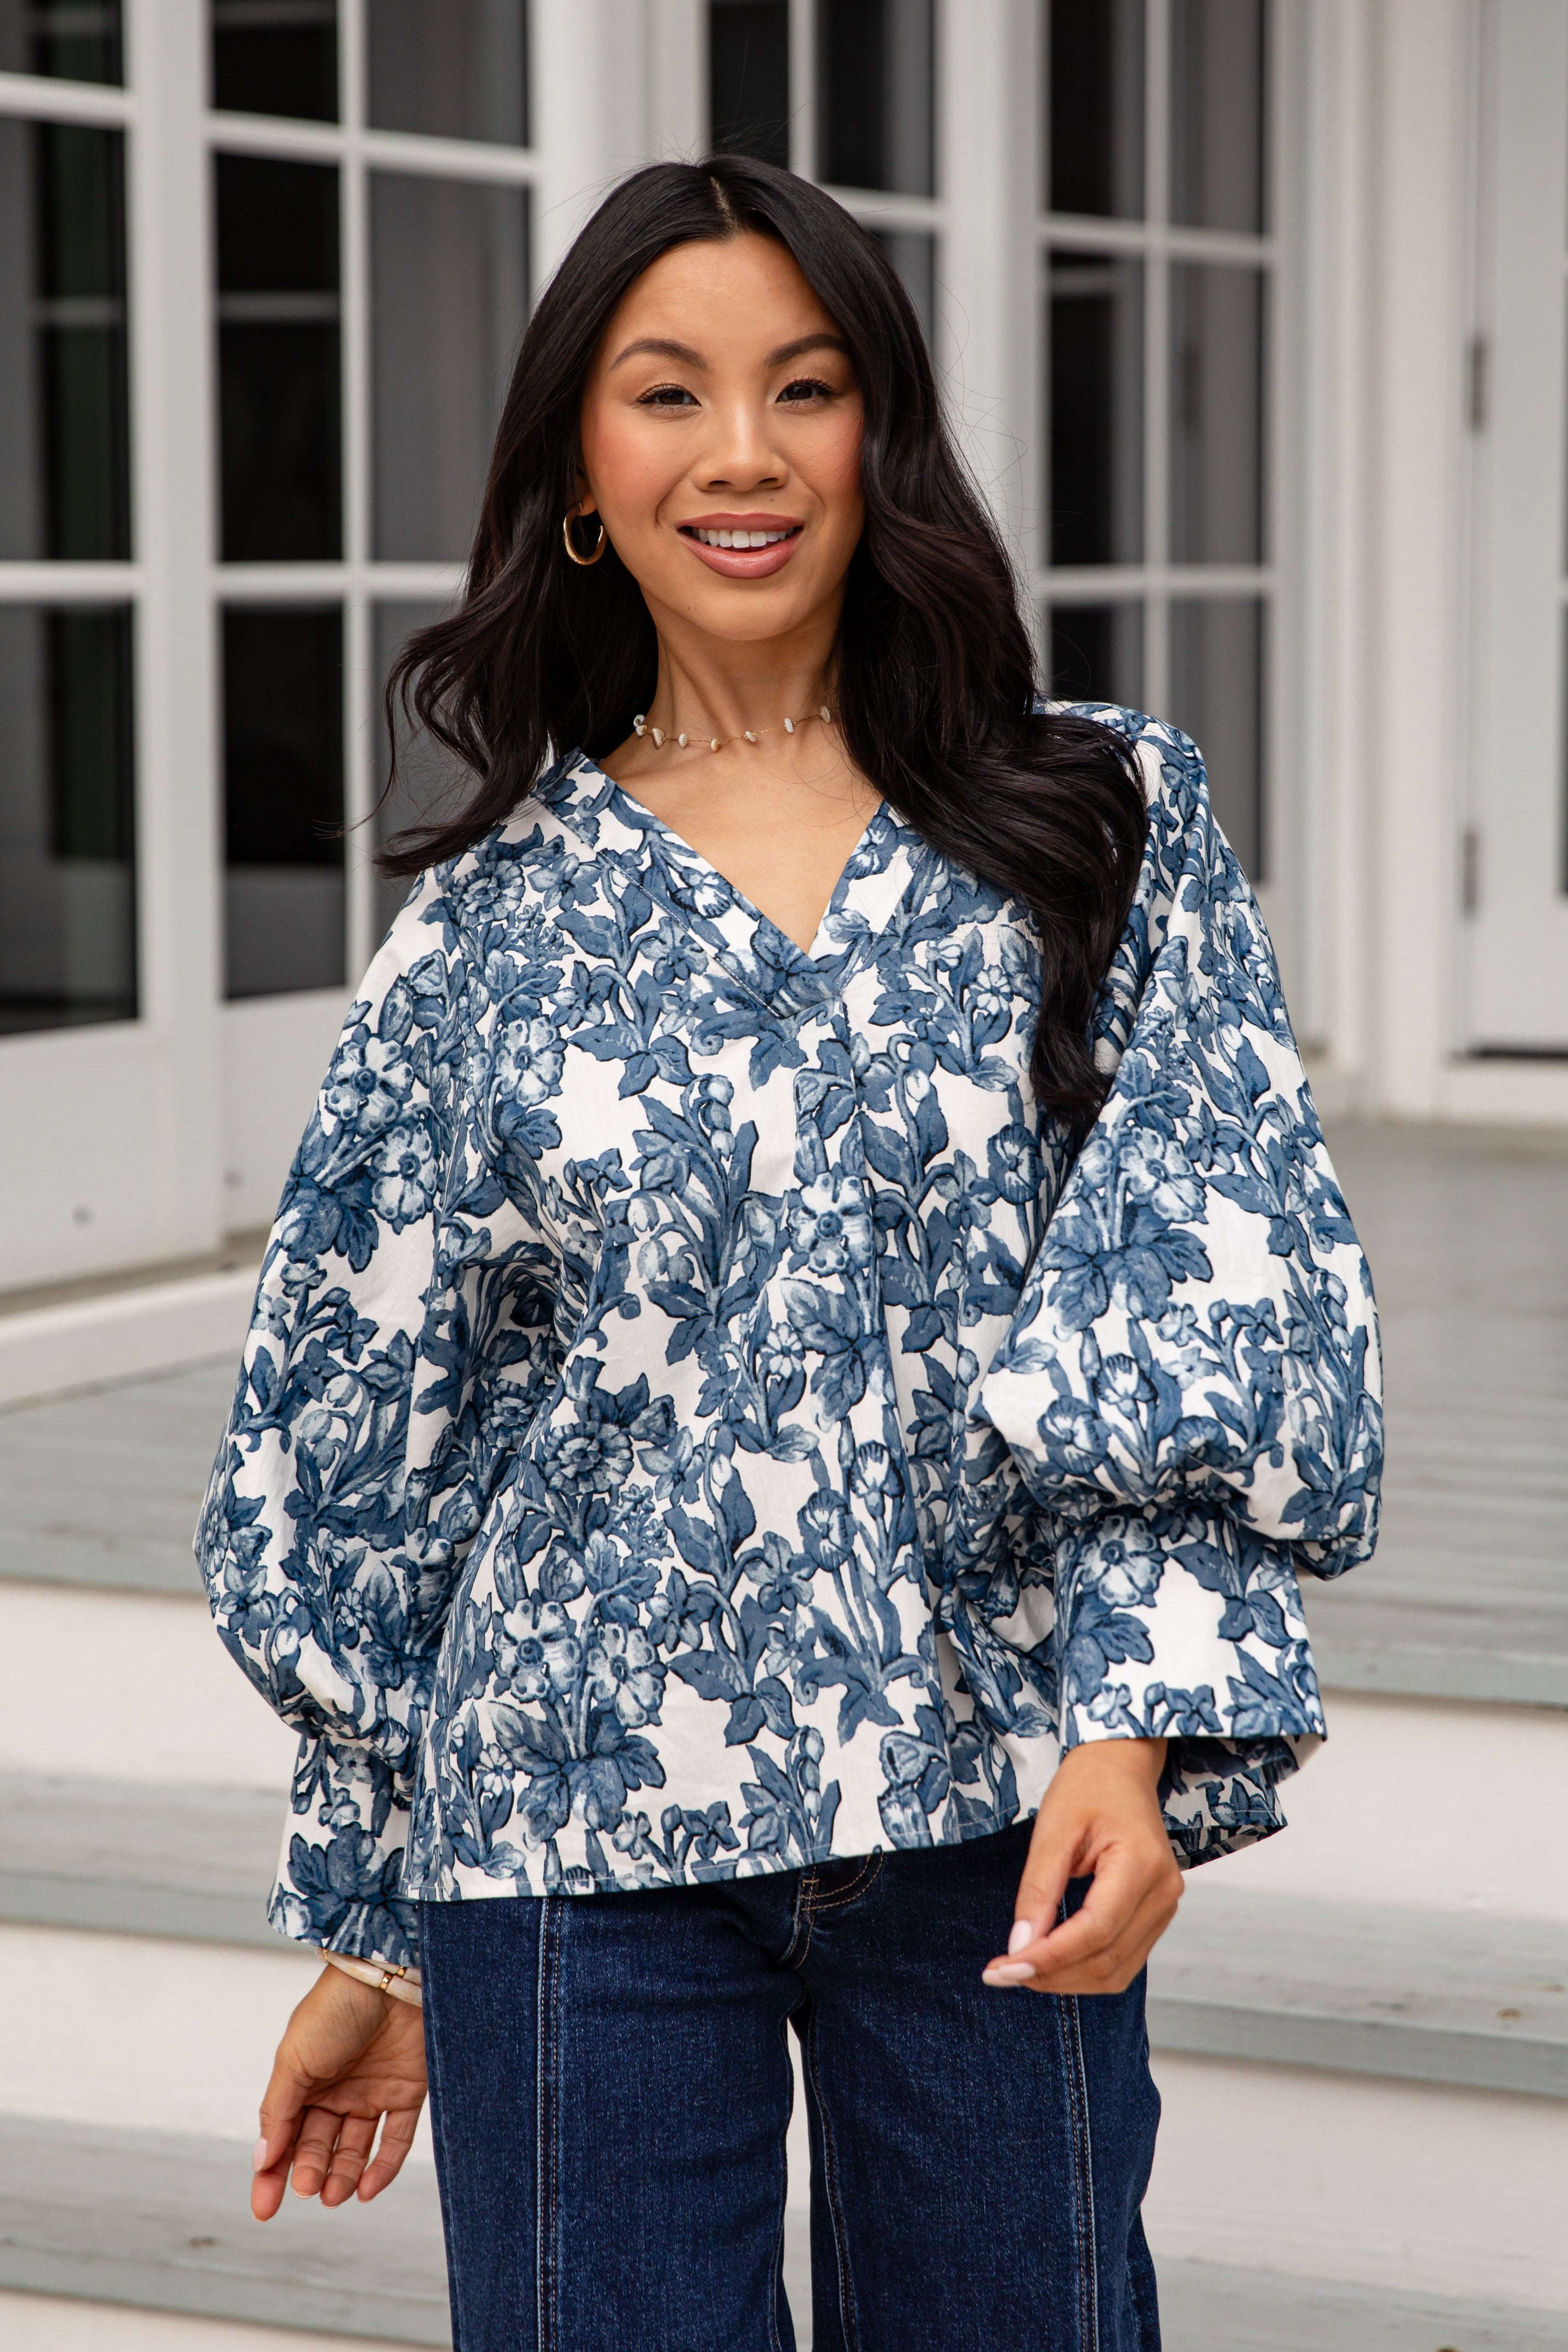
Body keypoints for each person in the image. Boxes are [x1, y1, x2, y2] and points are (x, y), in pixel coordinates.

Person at [197, 155, 1382, 2352]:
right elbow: (370, 1434)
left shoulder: (1098, 819)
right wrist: (375, 1934)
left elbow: (1199, 1274)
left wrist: (1134, 1727)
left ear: (878, 442)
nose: (738, 454)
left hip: (991, 1813)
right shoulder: (479, 931)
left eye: (803, 388)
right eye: (667, 394)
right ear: (581, 465)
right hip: (566, 1835)